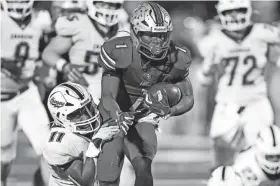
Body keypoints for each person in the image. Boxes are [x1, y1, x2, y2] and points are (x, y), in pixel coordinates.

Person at [97, 2, 194, 186]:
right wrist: (118, 115)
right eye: (151, 34)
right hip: (114, 113)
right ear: (135, 32)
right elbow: (108, 95)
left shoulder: (177, 57)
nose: (157, 41)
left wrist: (168, 111)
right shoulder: (120, 50)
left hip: (144, 116)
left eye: (161, 35)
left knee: (143, 167)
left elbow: (189, 98)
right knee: (108, 173)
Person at [197, 0, 280, 169]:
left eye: (239, 10)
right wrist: (208, 68)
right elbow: (203, 80)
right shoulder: (214, 40)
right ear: (221, 13)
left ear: (248, 10)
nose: (234, 15)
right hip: (227, 105)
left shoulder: (263, 33)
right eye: (229, 11)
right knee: (220, 162)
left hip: (256, 103)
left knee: (263, 157)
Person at [0, 0, 52, 185]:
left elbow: (46, 52)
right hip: (2, 98)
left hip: (26, 93)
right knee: (3, 156)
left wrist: (44, 73)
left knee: (49, 148)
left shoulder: (41, 19)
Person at [42, 0, 129, 99]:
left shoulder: (124, 29)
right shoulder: (79, 23)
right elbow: (48, 53)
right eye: (103, 4)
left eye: (112, 5)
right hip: (79, 92)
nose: (108, 9)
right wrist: (65, 66)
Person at [43, 82, 120, 186]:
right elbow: (85, 181)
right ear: (61, 117)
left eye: (87, 108)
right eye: (76, 114)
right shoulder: (57, 145)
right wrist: (95, 144)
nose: (86, 117)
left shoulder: (95, 109)